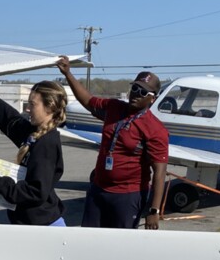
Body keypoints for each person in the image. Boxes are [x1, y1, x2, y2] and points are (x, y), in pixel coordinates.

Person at [57, 56, 169, 229]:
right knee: (89, 239)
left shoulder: (155, 129)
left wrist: (154, 210)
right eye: (135, 88)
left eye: (143, 92)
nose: (136, 94)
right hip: (99, 189)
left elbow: (160, 173)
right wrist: (68, 74)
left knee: (119, 246)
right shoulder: (114, 107)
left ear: (152, 99)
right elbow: (87, 100)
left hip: (128, 195)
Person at [0, 71, 67, 226]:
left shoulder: (46, 144)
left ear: (49, 107)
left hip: (42, 227)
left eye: (33, 104)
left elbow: (35, 192)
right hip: (33, 223)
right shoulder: (34, 133)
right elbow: (9, 118)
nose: (28, 109)